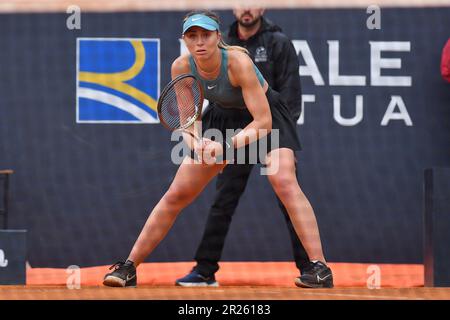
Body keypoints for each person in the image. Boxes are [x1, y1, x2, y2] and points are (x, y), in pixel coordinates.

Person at [103, 10, 333, 289]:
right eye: (192, 36)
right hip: (223, 119)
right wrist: (198, 145)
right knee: (177, 193)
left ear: (217, 37)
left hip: (265, 116)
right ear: (185, 40)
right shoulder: (181, 67)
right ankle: (129, 267)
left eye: (205, 35)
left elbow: (263, 122)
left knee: (283, 179)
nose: (199, 42)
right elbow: (188, 122)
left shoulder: (238, 62)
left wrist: (224, 147)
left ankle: (319, 268)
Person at [175, 8, 330, 288]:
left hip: (268, 126)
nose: (247, 7)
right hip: (234, 131)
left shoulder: (278, 41)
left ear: (263, 7)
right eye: (240, 2)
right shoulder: (219, 39)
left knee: (285, 189)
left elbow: (290, 93)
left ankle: (312, 268)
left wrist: (286, 140)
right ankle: (204, 270)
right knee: (224, 199)